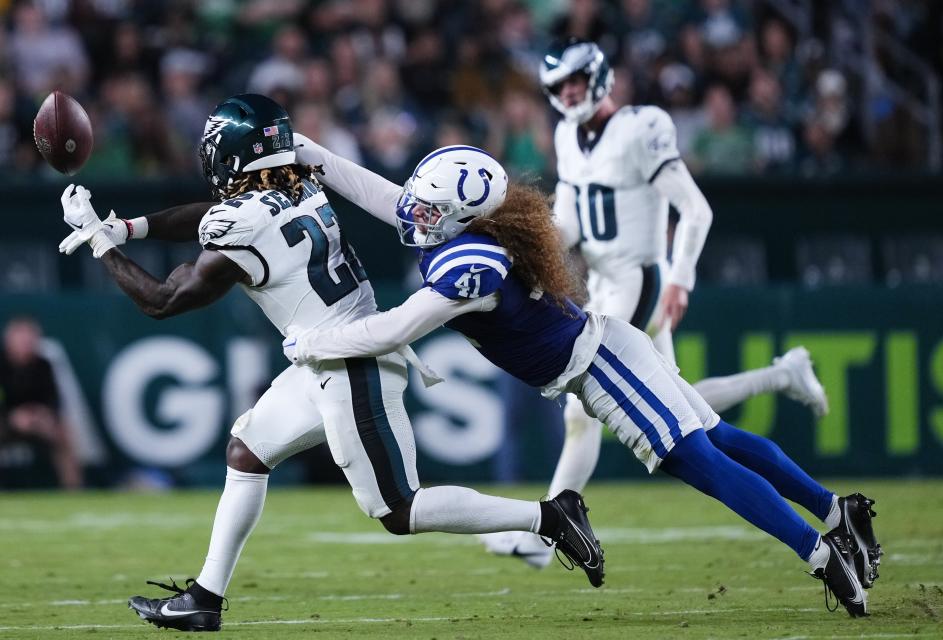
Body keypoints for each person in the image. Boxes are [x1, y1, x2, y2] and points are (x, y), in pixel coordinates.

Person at [56, 94, 604, 632]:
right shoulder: (297, 184)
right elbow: (214, 218)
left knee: (398, 510)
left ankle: (551, 517)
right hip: (326, 356)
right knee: (247, 450)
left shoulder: (245, 222)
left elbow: (163, 299)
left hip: (348, 364)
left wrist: (100, 244)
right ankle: (204, 599)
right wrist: (127, 229)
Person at [282, 139, 879, 618]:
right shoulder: (467, 229)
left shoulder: (474, 264)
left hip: (601, 366)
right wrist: (302, 150)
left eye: (430, 209)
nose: (415, 213)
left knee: (703, 462)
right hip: (608, 350)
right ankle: (837, 510)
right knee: (717, 439)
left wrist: (309, 343)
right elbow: (378, 192)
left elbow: (392, 330)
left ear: (461, 217)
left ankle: (821, 552)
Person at [484, 38, 830, 566]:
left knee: (583, 406)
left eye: (577, 81)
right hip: (600, 283)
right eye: (560, 85)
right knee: (690, 411)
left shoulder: (640, 127)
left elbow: (696, 210)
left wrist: (680, 279)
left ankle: (546, 532)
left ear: (600, 78)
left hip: (639, 279)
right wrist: (540, 254)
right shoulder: (566, 135)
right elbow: (574, 219)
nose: (570, 92)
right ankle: (782, 376)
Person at [0, 316, 82, 489]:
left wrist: (44, 415)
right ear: (9, 341)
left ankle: (74, 490)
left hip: (35, 422)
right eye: (21, 339)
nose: (26, 343)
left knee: (63, 434)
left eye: (30, 338)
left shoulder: (43, 365)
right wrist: (11, 418)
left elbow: (53, 399)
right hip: (6, 422)